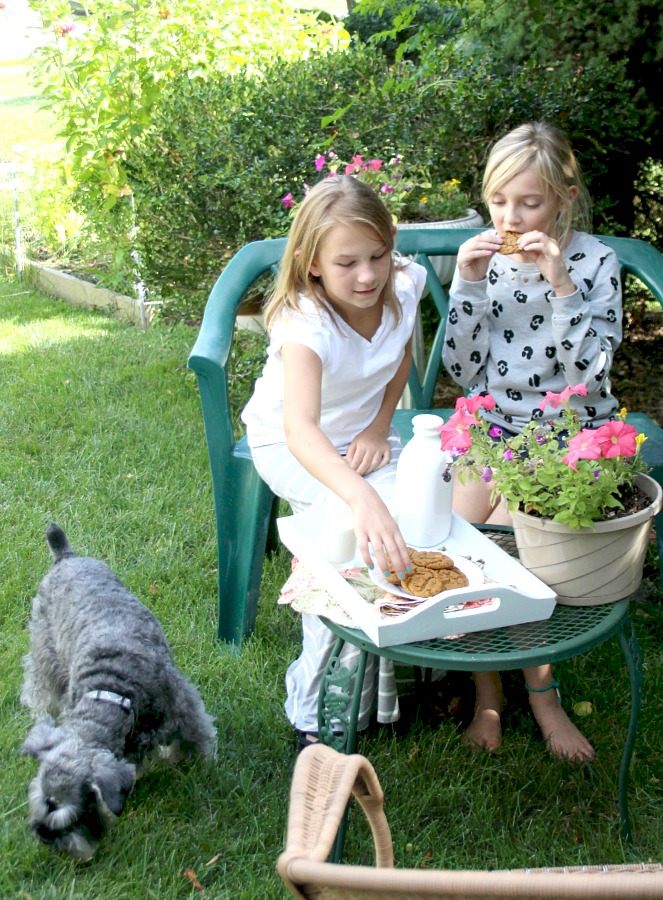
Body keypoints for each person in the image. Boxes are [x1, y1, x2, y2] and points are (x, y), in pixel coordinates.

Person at [442, 121, 623, 762]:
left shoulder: (596, 262)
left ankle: (542, 698)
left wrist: (560, 285)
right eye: (499, 202)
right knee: (460, 541)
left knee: (520, 550)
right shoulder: (486, 263)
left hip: (565, 435)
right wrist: (465, 281)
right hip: (495, 426)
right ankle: (488, 691)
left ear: (564, 199)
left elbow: (589, 373)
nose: (513, 217)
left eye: (531, 203)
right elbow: (464, 372)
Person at [241, 174, 428, 750]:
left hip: (359, 437)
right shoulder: (304, 322)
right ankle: (315, 711)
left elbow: (398, 359)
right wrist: (358, 494)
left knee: (417, 518)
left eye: (378, 254)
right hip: (293, 442)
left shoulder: (407, 281)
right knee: (341, 542)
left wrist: (378, 426)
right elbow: (300, 429)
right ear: (312, 262)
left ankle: (398, 687)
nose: (368, 274)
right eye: (347, 263)